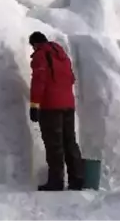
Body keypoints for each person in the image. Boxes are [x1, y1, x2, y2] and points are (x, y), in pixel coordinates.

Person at [28, 31, 84, 191]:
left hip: (51, 107)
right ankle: (77, 178)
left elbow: (39, 81)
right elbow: (71, 79)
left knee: (54, 144)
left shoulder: (41, 55)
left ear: (35, 44)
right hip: (68, 105)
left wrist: (34, 105)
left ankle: (56, 181)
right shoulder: (61, 55)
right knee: (69, 141)